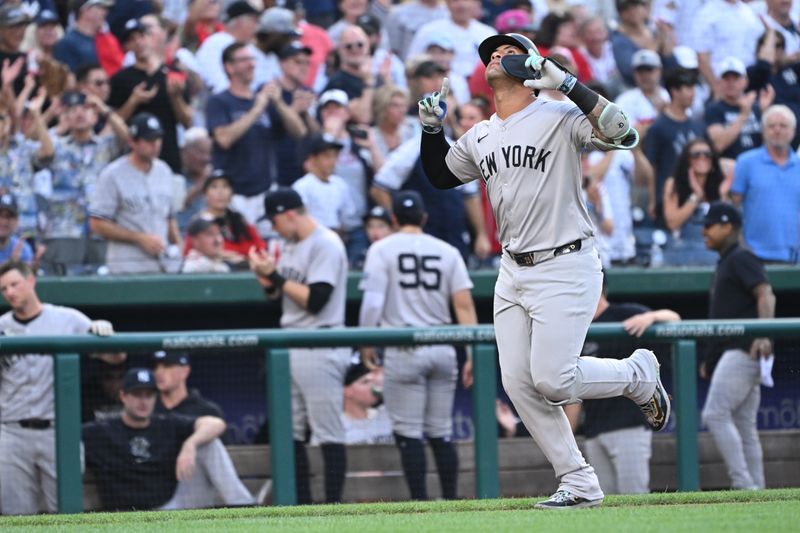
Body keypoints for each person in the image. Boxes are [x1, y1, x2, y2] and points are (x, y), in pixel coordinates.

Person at [418, 32, 670, 509]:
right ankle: (578, 480)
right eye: (490, 53)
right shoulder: (481, 133)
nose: (495, 55)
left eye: (507, 51)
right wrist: (432, 130)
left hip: (567, 259)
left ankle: (636, 374)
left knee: (553, 379)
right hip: (513, 270)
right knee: (517, 381)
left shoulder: (556, 115)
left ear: (531, 67)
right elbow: (440, 176)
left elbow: (625, 133)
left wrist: (569, 85)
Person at [358, 191, 476, 501]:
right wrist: (473, 352)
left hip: (403, 345)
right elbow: (463, 306)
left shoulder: (381, 249)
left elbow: (372, 303)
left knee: (409, 433)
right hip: (443, 346)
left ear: (393, 219)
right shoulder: (447, 250)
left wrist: (366, 340)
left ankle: (420, 504)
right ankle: (451, 501)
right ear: (424, 217)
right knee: (440, 432)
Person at [248, 188, 350, 504]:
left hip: (320, 341)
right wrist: (267, 281)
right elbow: (281, 297)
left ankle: (333, 507)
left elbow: (316, 300)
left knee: (328, 433)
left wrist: (274, 276)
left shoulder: (326, 243)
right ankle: (300, 505)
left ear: (290, 213)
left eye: (275, 220)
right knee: (288, 432)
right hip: (291, 342)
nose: (272, 228)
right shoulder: (288, 245)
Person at [0, 259, 114, 515]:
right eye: (4, 289)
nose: (10, 293)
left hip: (58, 431)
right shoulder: (1, 326)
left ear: (31, 281)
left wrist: (104, 334)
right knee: (15, 518)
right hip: (11, 432)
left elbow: (115, 357)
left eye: (15, 284)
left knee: (67, 514)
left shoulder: (67, 319)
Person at [82, 368, 254, 511]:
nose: (143, 401)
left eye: (148, 395)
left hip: (172, 508)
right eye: (137, 394)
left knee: (208, 443)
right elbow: (66, 440)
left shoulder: (166, 423)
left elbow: (216, 423)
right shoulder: (101, 431)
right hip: (125, 517)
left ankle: (246, 511)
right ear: (123, 396)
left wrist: (190, 444)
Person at [572, 275, 680, 494]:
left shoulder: (623, 314)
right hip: (594, 429)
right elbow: (572, 393)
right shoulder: (575, 328)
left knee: (634, 496)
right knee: (602, 503)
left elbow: (674, 319)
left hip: (628, 425)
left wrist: (650, 317)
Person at [700, 202, 775, 490]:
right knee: (744, 425)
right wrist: (711, 356)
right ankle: (756, 487)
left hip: (745, 349)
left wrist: (764, 333)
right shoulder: (727, 261)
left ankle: (743, 483)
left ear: (727, 226)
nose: (704, 232)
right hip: (737, 350)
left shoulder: (742, 257)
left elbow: (766, 294)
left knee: (715, 414)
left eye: (709, 226)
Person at [206, 42, 307, 225]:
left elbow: (299, 131)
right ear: (229, 67)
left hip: (265, 192)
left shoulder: (265, 100)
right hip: (233, 195)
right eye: (244, 60)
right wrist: (257, 108)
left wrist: (278, 103)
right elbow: (224, 139)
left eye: (252, 59)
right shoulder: (219, 101)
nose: (251, 64)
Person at [89, 113, 182, 274]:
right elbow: (97, 223)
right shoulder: (112, 174)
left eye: (158, 139)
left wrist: (179, 248)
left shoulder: (164, 171)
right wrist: (139, 238)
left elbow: (169, 218)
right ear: (132, 142)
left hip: (163, 268)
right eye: (149, 140)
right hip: (126, 268)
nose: (155, 144)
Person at [108, 17, 192, 173]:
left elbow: (187, 121)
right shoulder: (120, 79)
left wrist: (175, 97)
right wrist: (134, 101)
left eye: (142, 35)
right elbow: (113, 121)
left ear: (151, 38)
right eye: (131, 39)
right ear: (127, 46)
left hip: (169, 156)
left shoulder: (173, 74)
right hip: (133, 161)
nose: (139, 42)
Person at [731, 104, 800, 263]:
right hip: (755, 255)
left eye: (783, 126)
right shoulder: (746, 162)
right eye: (771, 126)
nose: (777, 130)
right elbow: (734, 206)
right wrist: (742, 247)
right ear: (763, 131)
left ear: (793, 131)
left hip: (795, 256)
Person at [643, 68, 706, 224]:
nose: (692, 93)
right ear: (674, 91)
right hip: (668, 199)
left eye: (693, 88)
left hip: (694, 199)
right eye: (688, 88)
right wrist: (652, 200)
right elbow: (651, 167)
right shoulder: (659, 127)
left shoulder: (697, 126)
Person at [662, 138, 729, 266]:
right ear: (687, 160)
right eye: (696, 155)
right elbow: (673, 223)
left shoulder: (718, 187)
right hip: (683, 254)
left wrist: (722, 195)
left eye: (707, 155)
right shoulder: (673, 184)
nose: (702, 158)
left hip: (714, 254)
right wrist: (696, 196)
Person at [184, 170, 266, 269]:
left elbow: (260, 247)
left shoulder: (238, 219)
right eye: (214, 186)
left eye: (225, 186)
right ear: (205, 194)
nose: (220, 192)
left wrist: (238, 256)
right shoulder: (198, 222)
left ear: (232, 193)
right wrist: (220, 255)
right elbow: (188, 252)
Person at [291, 135, 356, 237]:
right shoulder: (302, 186)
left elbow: (347, 214)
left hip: (337, 234)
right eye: (326, 156)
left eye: (335, 155)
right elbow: (299, 217)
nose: (332, 161)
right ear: (313, 158)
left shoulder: (340, 184)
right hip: (312, 235)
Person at [704, 57, 767, 160]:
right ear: (719, 82)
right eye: (726, 78)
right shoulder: (713, 109)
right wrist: (743, 115)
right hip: (731, 166)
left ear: (746, 81)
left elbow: (770, 143)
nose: (731, 83)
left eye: (736, 78)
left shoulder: (756, 107)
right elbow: (718, 145)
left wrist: (765, 111)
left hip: (758, 164)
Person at [152, 351, 226, 420]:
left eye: (167, 366)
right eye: (155, 367)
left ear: (185, 371)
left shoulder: (207, 411)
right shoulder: (147, 408)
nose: (158, 372)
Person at [341, 361, 393, 445]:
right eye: (365, 382)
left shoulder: (385, 416)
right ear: (346, 391)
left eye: (373, 382)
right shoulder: (336, 426)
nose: (372, 387)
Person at [0, 193, 33, 263]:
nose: (3, 222)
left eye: (9, 217)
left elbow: (28, 273)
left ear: (17, 221)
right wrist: (12, 263)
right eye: (0, 215)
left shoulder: (23, 250)